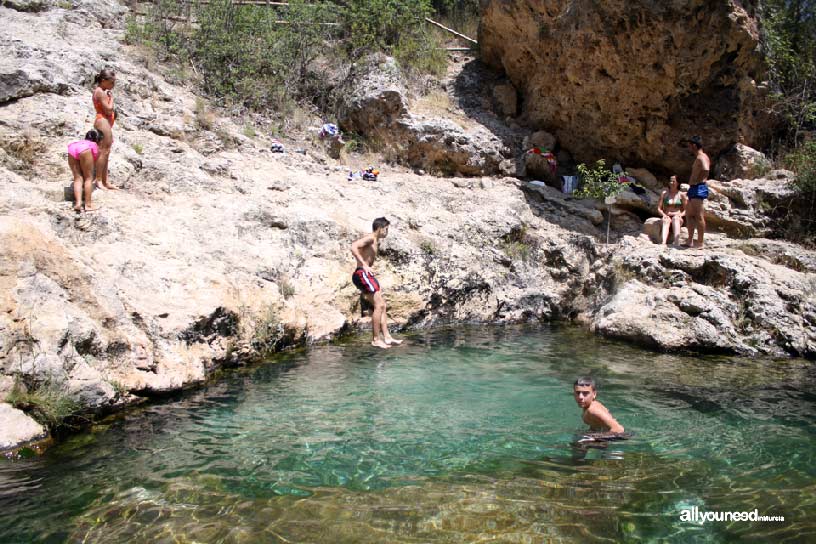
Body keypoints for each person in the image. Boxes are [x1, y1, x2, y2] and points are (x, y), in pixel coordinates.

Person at [350, 217, 403, 349]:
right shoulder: (371, 238)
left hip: (366, 275)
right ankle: (375, 339)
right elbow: (353, 247)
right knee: (379, 305)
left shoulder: (375, 241)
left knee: (382, 305)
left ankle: (387, 337)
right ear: (379, 228)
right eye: (386, 229)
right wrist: (364, 265)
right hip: (361, 274)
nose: (387, 232)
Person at [680, 135, 710, 248]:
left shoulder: (701, 157)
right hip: (693, 188)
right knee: (689, 215)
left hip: (698, 188)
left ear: (694, 145)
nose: (689, 148)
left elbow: (706, 169)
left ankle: (700, 242)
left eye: (689, 145)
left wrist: (699, 180)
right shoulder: (700, 157)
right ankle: (690, 241)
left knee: (698, 216)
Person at [92, 67, 118, 190]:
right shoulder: (100, 92)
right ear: (103, 80)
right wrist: (112, 99)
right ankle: (98, 180)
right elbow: (108, 109)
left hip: (106, 122)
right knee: (103, 151)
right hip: (102, 121)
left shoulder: (102, 91)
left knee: (106, 151)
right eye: (111, 82)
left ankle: (105, 180)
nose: (113, 85)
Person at [67, 130, 102, 212]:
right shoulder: (94, 144)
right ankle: (88, 205)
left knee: (77, 178)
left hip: (71, 148)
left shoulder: (78, 142)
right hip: (85, 150)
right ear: (96, 139)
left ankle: (78, 203)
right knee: (88, 178)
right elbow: (95, 161)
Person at [657, 175, 687, 246]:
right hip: (667, 215)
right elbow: (659, 208)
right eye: (670, 181)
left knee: (675, 219)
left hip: (677, 216)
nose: (671, 183)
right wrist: (663, 215)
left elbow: (686, 210)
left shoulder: (681, 195)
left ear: (678, 183)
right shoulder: (664, 194)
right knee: (666, 220)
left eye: (673, 181)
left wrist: (680, 215)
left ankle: (676, 242)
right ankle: (663, 242)